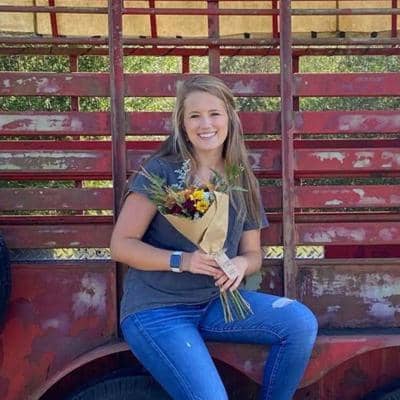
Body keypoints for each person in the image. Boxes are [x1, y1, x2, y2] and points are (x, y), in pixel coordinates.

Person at [110, 75, 318, 400]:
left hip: (214, 303)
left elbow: (253, 254)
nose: (205, 124)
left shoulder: (241, 178)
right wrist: (183, 260)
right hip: (157, 310)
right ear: (182, 124)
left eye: (214, 113)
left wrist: (239, 265)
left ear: (230, 117)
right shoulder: (161, 172)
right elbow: (121, 245)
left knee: (300, 323)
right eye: (194, 115)